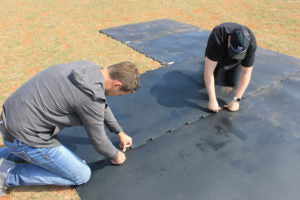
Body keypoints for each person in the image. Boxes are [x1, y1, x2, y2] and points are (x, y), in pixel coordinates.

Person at [0, 60, 140, 196]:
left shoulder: (88, 67)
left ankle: (4, 154)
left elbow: (101, 106)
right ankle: (8, 174)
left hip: (8, 121)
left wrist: (119, 131)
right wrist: (116, 155)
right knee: (81, 175)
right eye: (120, 93)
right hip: (23, 138)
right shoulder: (90, 97)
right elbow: (99, 141)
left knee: (35, 142)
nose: (117, 96)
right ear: (117, 84)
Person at [204, 22, 257, 112]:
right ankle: (216, 62)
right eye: (234, 51)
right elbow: (208, 72)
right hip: (219, 53)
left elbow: (247, 73)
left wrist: (237, 100)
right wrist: (212, 100)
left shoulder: (251, 43)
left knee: (231, 82)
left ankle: (232, 62)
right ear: (229, 39)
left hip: (235, 61)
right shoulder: (218, 35)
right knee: (206, 80)